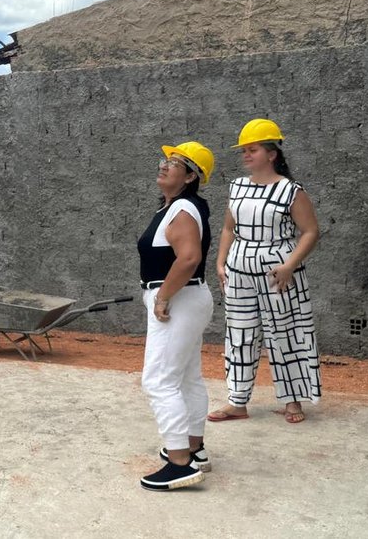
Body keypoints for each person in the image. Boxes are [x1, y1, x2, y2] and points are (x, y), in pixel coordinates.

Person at [209, 119, 321, 424]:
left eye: (253, 149)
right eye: (244, 150)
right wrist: (220, 263)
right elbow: (228, 228)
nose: (246, 155)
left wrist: (289, 265)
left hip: (277, 268)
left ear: (271, 154)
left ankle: (292, 400)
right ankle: (237, 401)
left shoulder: (290, 190)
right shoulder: (237, 187)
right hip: (239, 267)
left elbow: (310, 231)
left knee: (284, 331)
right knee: (239, 333)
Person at [137, 141, 215, 492]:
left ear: (191, 175)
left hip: (178, 298)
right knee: (187, 377)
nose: (165, 166)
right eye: (165, 160)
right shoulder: (179, 207)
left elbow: (188, 259)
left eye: (176, 162)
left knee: (159, 381)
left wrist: (163, 297)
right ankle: (194, 449)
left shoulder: (183, 208)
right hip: (189, 297)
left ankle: (179, 462)